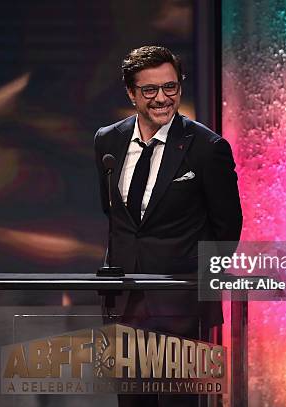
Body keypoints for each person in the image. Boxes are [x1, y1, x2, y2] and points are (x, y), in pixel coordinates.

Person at [93, 46, 242, 406]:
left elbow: (228, 226)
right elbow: (115, 215)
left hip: (183, 306)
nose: (162, 99)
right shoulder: (107, 140)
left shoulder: (207, 147)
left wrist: (198, 282)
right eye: (150, 90)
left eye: (171, 88)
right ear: (131, 93)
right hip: (125, 302)